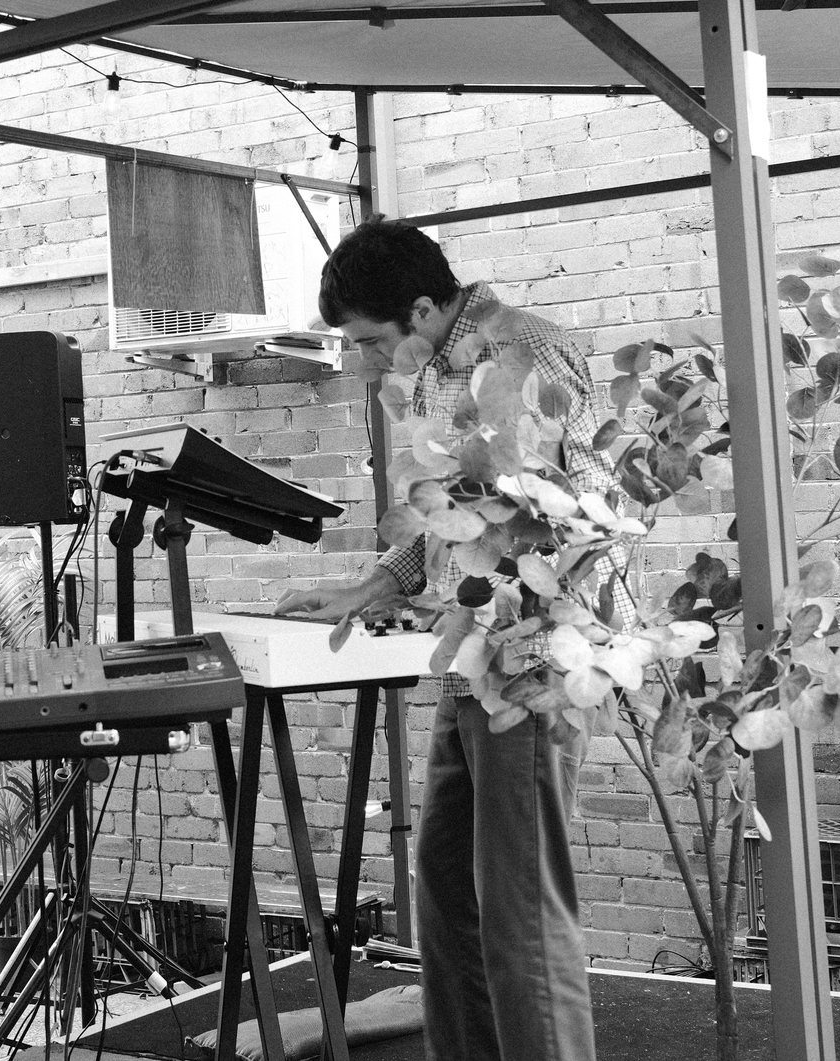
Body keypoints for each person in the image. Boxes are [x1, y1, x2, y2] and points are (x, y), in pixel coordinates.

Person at [276, 220, 611, 1061]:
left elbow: (567, 522)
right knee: (447, 890)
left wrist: (476, 612)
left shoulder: (521, 354)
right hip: (469, 665)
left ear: (422, 309)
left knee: (522, 914)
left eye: (369, 341)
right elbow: (443, 518)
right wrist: (367, 590)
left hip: (529, 663)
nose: (364, 362)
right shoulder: (435, 367)